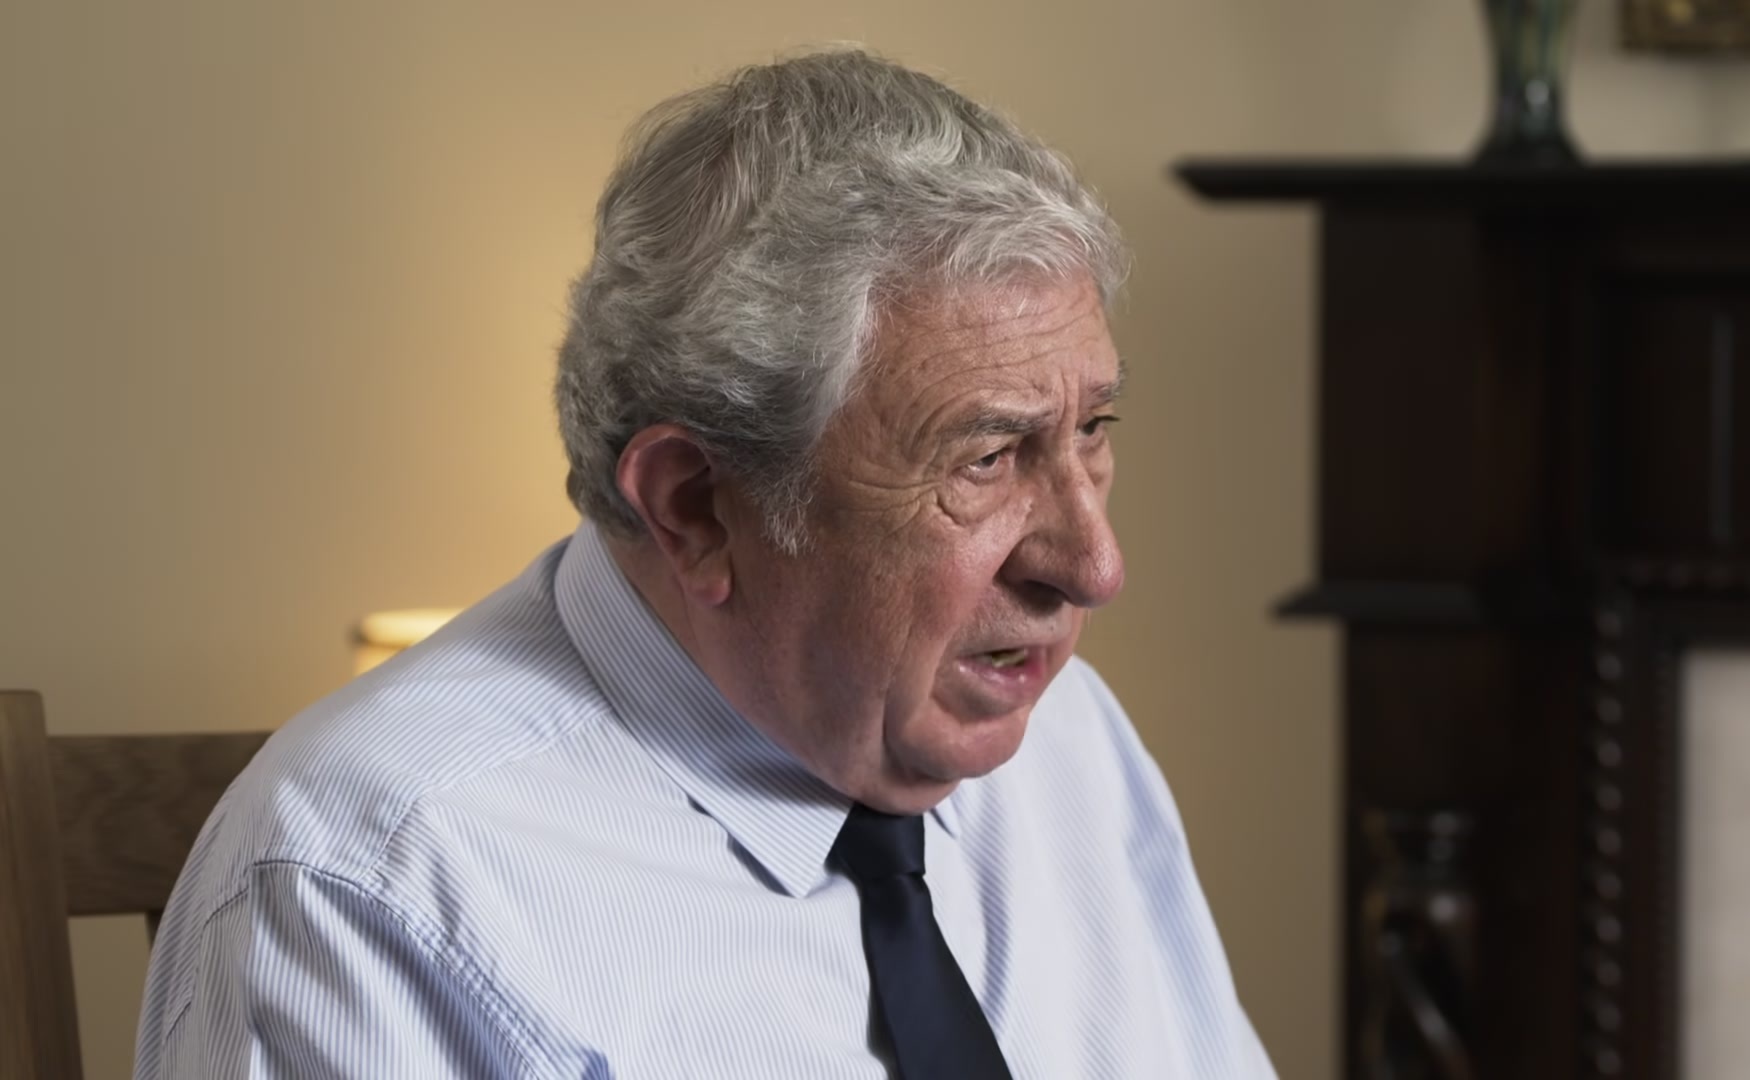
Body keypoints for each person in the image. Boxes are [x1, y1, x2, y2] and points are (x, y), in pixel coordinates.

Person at [134, 48, 1277, 1079]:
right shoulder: (372, 886)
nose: (1093, 566)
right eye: (985, 458)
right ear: (694, 510)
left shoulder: (1068, 740)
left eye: (1092, 430)